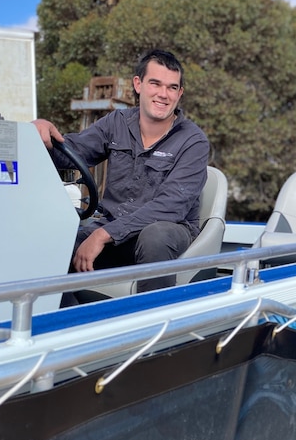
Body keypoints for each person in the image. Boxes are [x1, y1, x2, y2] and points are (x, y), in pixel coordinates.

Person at [33, 49, 209, 295]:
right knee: (54, 244)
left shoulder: (193, 141)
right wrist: (39, 135)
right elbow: (73, 153)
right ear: (138, 84)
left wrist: (103, 234)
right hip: (115, 227)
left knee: (155, 236)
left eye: (172, 87)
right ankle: (67, 323)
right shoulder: (116, 123)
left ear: (179, 94)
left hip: (168, 230)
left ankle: (153, 323)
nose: (163, 94)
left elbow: (171, 206)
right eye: (155, 84)